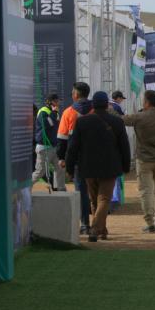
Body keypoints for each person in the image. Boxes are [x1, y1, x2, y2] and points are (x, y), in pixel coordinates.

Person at [65, 91, 131, 242]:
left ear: (93, 105)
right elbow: (124, 146)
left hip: (88, 167)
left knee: (94, 200)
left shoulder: (82, 122)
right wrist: (126, 166)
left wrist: (69, 167)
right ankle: (96, 229)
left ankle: (101, 230)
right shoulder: (117, 122)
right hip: (110, 166)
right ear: (107, 105)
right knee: (104, 199)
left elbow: (73, 147)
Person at [122, 89, 155, 233]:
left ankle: (150, 222)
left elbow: (121, 119)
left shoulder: (139, 117)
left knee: (146, 191)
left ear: (146, 102)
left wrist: (109, 110)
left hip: (144, 159)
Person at [56, 81, 93, 235]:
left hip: (78, 159)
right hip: (97, 157)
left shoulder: (68, 112)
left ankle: (84, 224)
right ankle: (99, 224)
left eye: (72, 92)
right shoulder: (96, 111)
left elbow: (62, 139)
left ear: (76, 95)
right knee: (99, 192)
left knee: (81, 191)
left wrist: (62, 158)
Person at [33, 93, 64, 190]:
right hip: (44, 147)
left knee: (60, 168)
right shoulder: (43, 111)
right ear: (51, 102)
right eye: (57, 101)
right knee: (40, 171)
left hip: (54, 146)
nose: (58, 103)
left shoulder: (55, 112)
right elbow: (48, 124)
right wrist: (54, 113)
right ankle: (24, 188)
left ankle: (60, 189)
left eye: (58, 101)